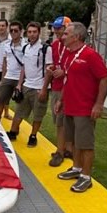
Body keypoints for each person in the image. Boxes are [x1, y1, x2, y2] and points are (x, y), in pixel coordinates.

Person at [56, 22, 107, 193]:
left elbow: (104, 78)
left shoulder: (90, 55)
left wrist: (99, 104)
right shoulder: (69, 55)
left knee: (86, 143)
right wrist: (61, 100)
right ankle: (76, 168)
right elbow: (68, 80)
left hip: (84, 108)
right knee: (73, 141)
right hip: (70, 106)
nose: (62, 37)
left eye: (66, 34)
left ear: (76, 37)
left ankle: (86, 177)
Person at [11, 22, 53, 146]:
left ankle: (33, 135)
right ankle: (13, 131)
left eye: (34, 32)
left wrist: (44, 89)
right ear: (27, 33)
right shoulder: (26, 48)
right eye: (30, 32)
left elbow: (49, 70)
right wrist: (19, 84)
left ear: (39, 32)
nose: (32, 34)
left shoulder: (46, 49)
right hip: (26, 86)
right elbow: (24, 67)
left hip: (39, 88)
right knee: (19, 111)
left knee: (38, 114)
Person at [42, 16, 73, 167]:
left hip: (69, 87)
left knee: (63, 121)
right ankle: (67, 148)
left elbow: (74, 66)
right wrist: (52, 68)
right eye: (54, 28)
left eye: (59, 28)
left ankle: (60, 151)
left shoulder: (73, 46)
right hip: (56, 86)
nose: (56, 31)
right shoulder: (54, 45)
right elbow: (56, 63)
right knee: (58, 120)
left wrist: (64, 71)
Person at [0, 21, 25, 121]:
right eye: (11, 30)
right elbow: (4, 63)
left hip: (20, 78)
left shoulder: (25, 45)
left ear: (21, 31)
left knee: (20, 106)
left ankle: (14, 130)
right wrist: (2, 79)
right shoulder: (7, 44)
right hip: (8, 77)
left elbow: (26, 64)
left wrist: (21, 82)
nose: (13, 32)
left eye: (16, 30)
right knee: (0, 101)